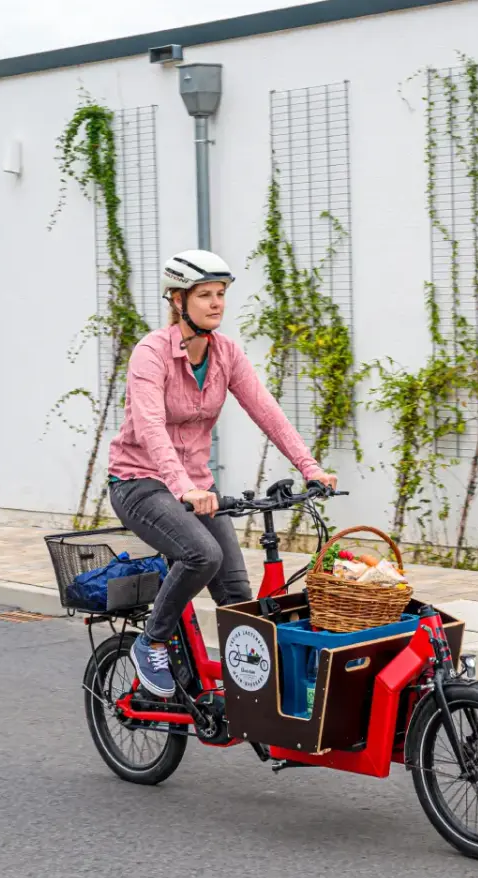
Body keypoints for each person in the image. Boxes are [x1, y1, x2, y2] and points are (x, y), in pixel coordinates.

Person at [106, 249, 337, 698]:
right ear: (178, 300)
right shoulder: (151, 353)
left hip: (194, 486)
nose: (216, 304)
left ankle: (251, 698)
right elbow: (151, 427)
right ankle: (151, 642)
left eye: (221, 294)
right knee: (202, 555)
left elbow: (267, 412)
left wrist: (310, 467)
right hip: (139, 482)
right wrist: (184, 488)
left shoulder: (226, 353)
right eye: (205, 295)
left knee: (238, 597)